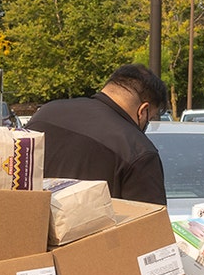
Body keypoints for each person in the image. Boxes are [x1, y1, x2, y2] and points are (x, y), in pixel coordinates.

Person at [27, 64, 167, 205]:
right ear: (143, 110)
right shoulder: (138, 150)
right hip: (93, 227)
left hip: (26, 223)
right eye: (150, 118)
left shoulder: (45, 113)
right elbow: (150, 223)